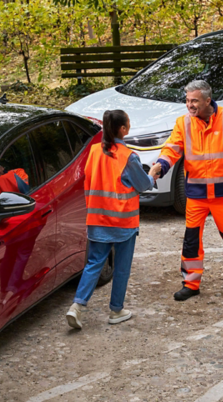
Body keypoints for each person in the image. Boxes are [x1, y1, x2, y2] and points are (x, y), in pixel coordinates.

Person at [149, 80, 223, 301]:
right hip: (196, 195)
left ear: (208, 100)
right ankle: (191, 283)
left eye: (194, 101)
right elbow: (172, 149)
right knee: (191, 240)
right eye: (187, 101)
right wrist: (160, 166)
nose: (190, 105)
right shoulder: (183, 123)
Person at [66, 110, 156, 329]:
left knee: (94, 263)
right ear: (123, 129)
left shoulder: (94, 151)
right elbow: (143, 185)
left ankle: (77, 306)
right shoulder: (128, 156)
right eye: (129, 123)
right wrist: (153, 173)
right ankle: (116, 310)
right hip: (123, 222)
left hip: (97, 218)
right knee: (122, 266)